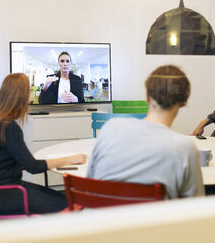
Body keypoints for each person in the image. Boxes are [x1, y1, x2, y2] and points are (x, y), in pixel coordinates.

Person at [0, 73, 86, 215]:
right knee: (68, 205)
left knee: (62, 199)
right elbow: (33, 166)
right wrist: (71, 159)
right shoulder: (9, 128)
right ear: (21, 98)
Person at [87, 65, 204, 199]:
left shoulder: (109, 128)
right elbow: (194, 209)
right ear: (184, 101)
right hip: (151, 220)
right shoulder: (184, 148)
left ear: (147, 96)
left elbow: (90, 182)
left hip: (98, 218)